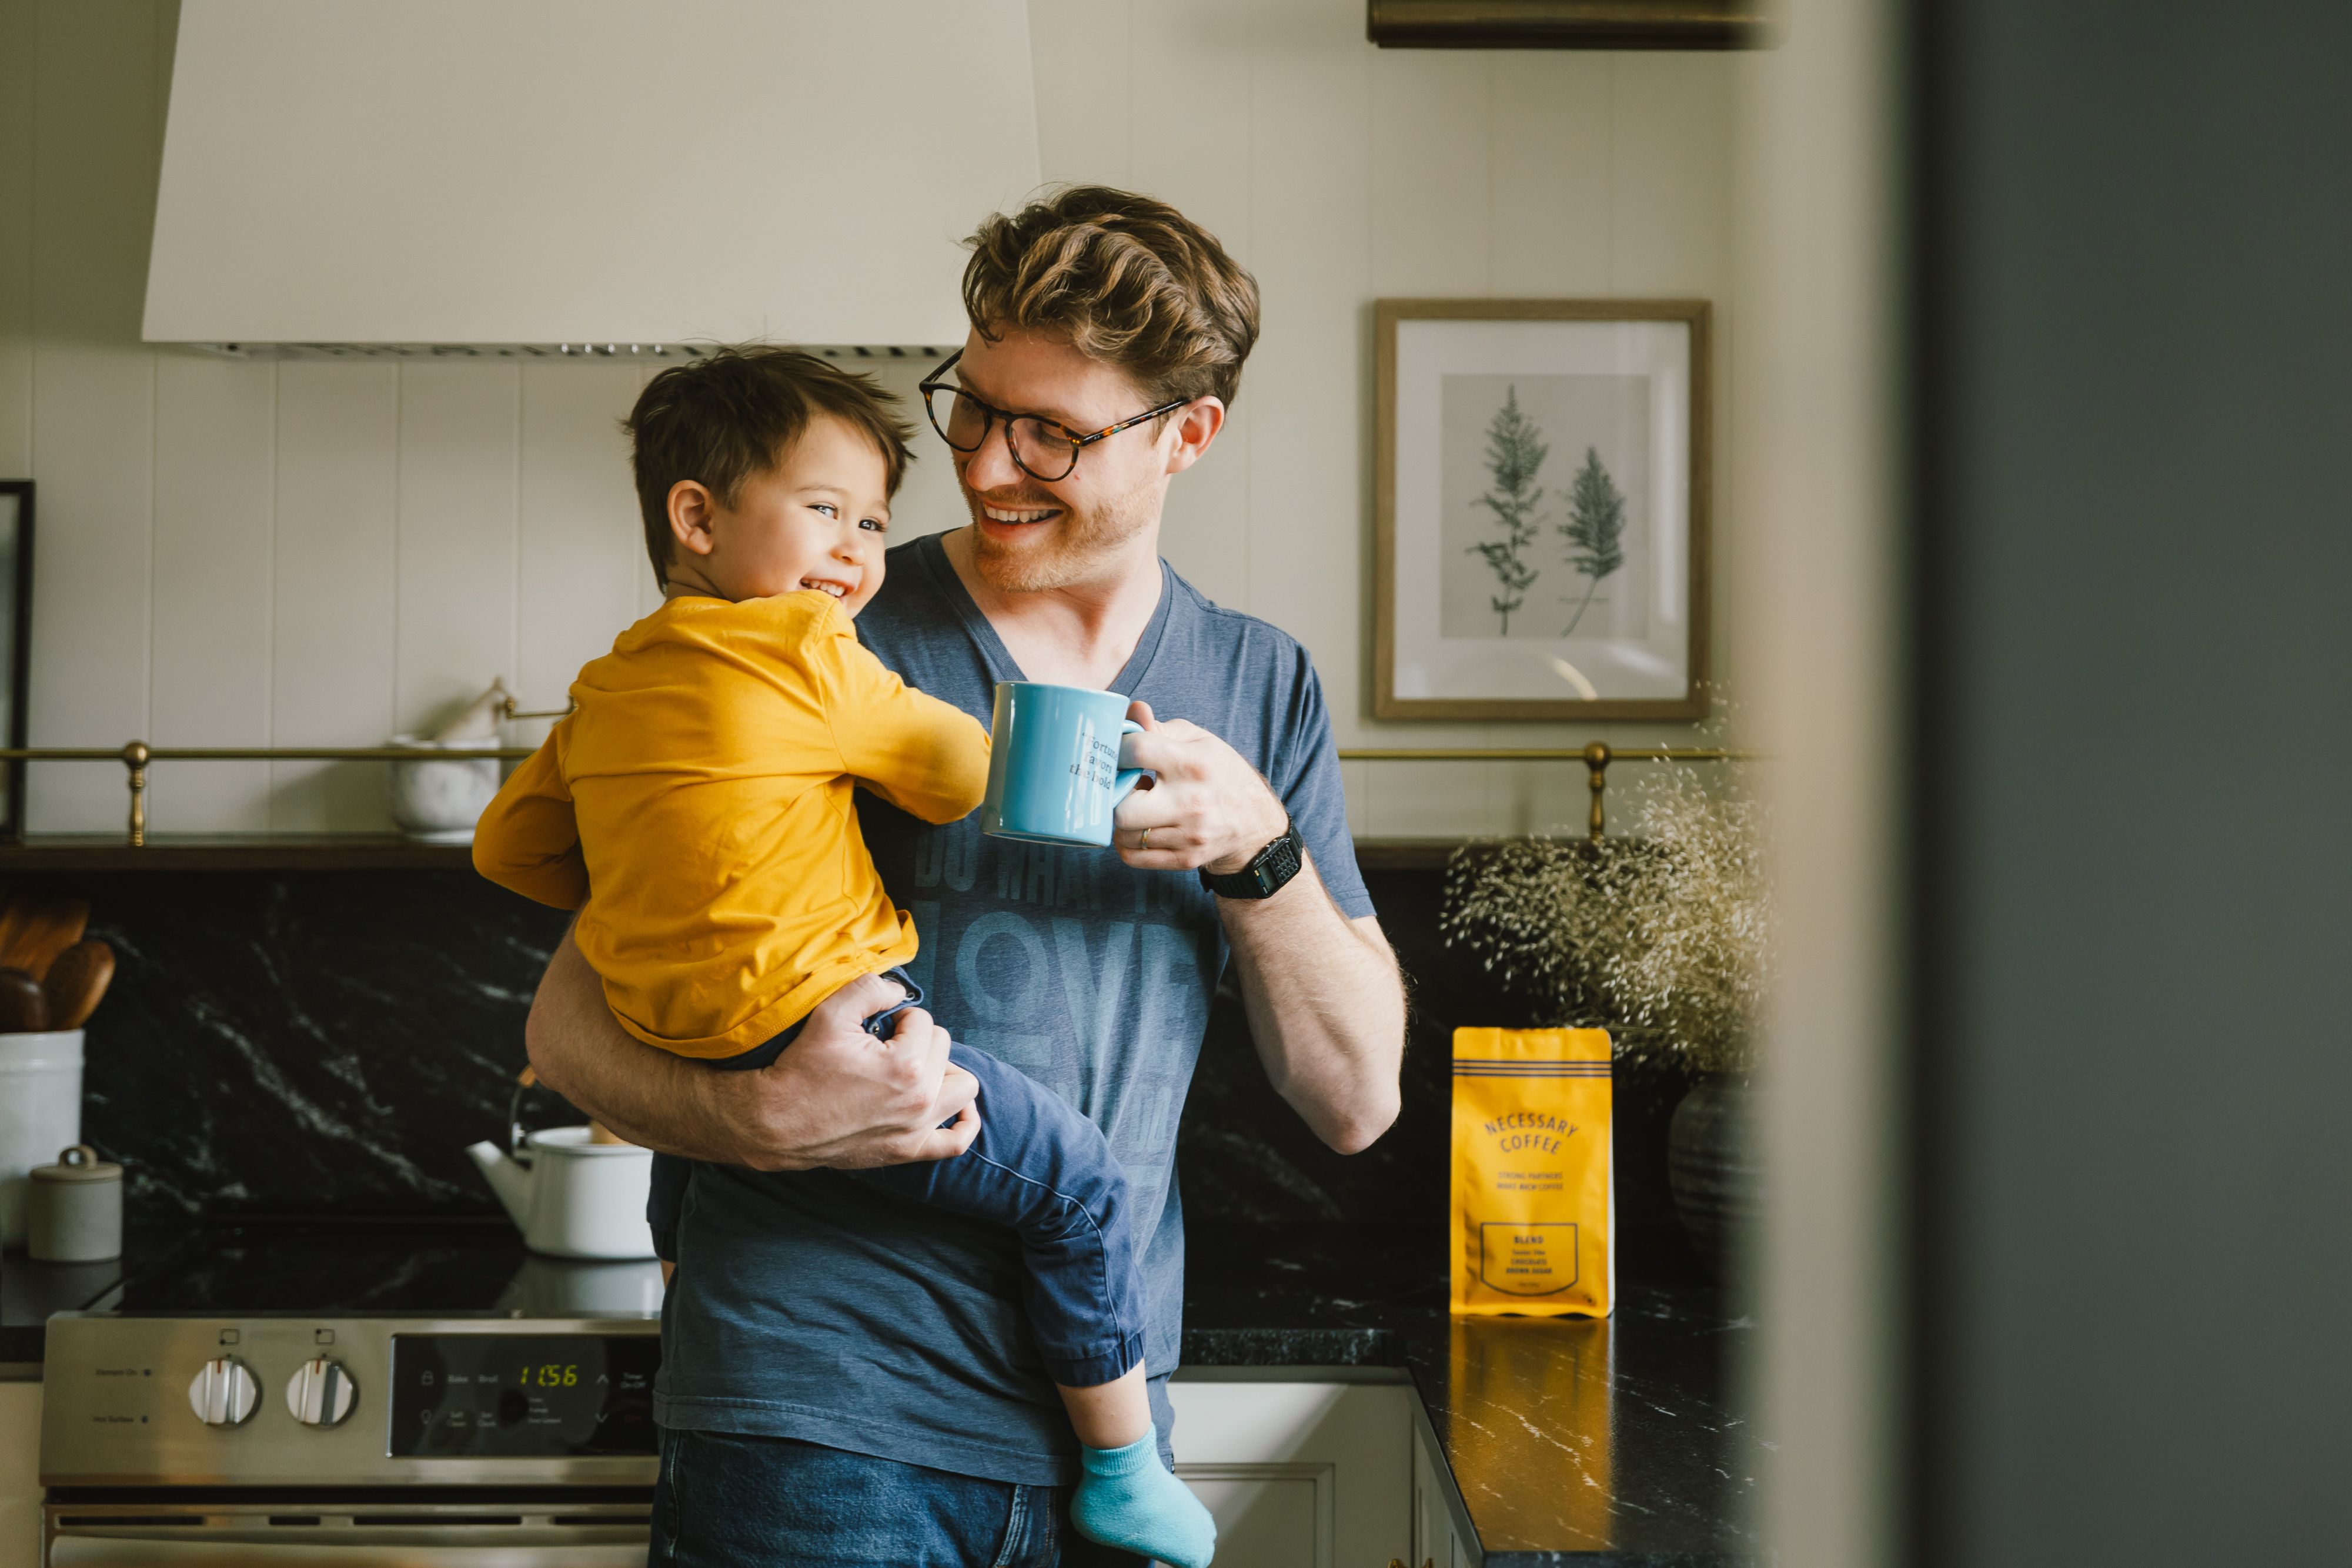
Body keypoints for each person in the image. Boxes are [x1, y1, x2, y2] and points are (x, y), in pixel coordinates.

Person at [522, 186, 1408, 1567]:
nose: (986, 464)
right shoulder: (807, 627)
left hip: (1108, 1440)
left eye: (1051, 430)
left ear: (1187, 433)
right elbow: (565, 1027)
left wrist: (1259, 850)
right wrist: (747, 1118)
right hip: (813, 1423)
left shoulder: (1258, 682)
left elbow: (1356, 1099)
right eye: (973, 405)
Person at [470, 346, 1215, 1568]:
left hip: (675, 1035)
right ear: (696, 515)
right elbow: (959, 771)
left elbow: (510, 849)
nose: (857, 552)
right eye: (824, 512)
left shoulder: (601, 689)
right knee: (1077, 1185)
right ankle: (1126, 1469)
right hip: (839, 1031)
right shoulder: (812, 655)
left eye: (871, 520)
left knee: (685, 1184)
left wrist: (655, 880)